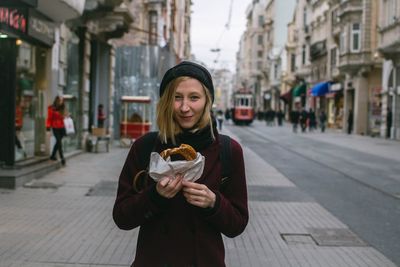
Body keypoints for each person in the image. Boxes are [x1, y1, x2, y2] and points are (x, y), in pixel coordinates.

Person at [113, 61, 249, 267]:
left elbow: (237, 225)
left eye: (194, 97)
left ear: (207, 101)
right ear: (167, 101)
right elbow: (122, 217)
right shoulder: (145, 147)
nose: (185, 107)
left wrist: (214, 203)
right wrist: (154, 196)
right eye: (177, 98)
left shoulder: (228, 151)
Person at [46, 96, 66, 165]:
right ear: (57, 101)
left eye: (62, 100)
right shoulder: (52, 108)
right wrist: (48, 126)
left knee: (58, 142)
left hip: (62, 127)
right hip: (55, 127)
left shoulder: (62, 108)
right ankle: (62, 158)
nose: (62, 102)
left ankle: (52, 155)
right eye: (60, 100)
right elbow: (49, 118)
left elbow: (63, 118)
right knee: (59, 142)